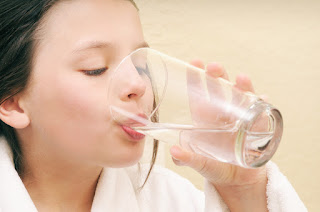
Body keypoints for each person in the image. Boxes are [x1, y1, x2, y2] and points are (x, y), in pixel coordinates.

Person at [0, 0, 307, 211]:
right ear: (13, 104)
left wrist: (244, 191)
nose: (138, 85)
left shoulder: (170, 201)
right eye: (96, 68)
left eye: (141, 65)